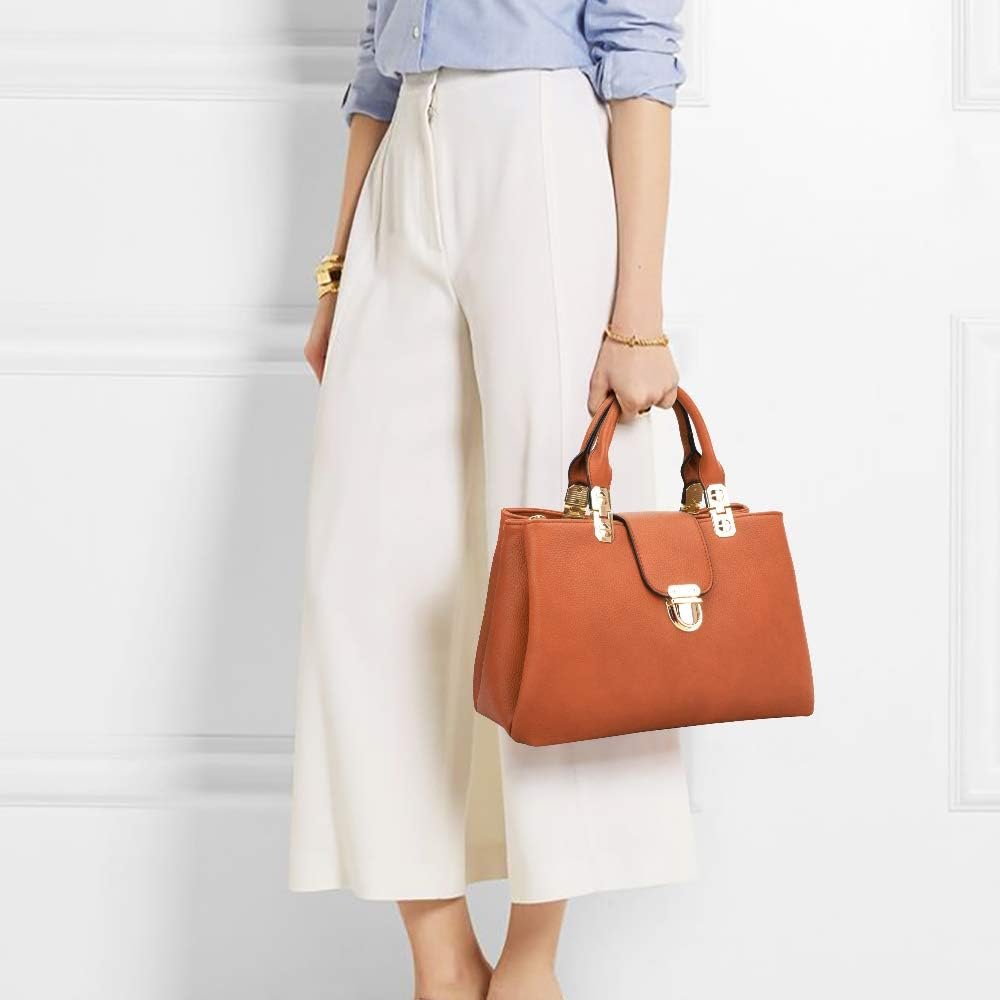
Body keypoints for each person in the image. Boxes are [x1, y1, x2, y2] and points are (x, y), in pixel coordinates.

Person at [289, 2, 695, 997]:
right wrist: (337, 273)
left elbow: (639, 44)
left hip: (539, 141)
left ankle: (529, 966)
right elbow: (375, 53)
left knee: (560, 562)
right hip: (401, 161)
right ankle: (441, 965)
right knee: (365, 570)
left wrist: (637, 318)